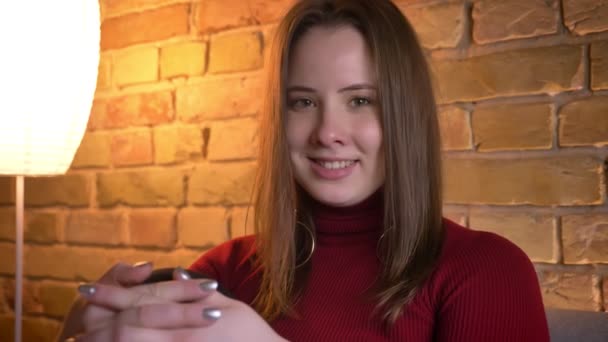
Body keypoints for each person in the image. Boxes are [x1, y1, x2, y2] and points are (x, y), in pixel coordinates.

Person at [57, 0, 550, 340]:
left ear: (404, 116)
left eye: (360, 100)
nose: (326, 131)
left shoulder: (485, 271)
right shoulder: (222, 272)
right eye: (302, 102)